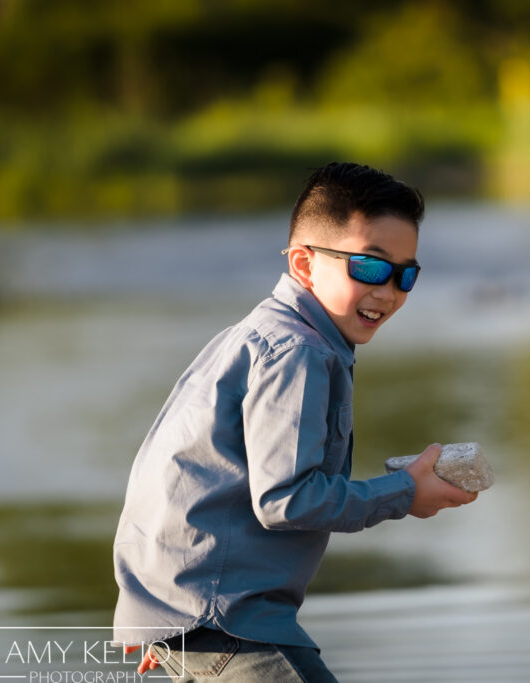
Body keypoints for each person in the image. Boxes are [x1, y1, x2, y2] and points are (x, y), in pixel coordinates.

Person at [112, 162, 478, 682]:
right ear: (304, 266)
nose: (389, 291)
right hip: (230, 625)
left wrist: (154, 613)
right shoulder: (299, 352)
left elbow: (171, 469)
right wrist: (404, 494)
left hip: (197, 621)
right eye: (370, 267)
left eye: (406, 274)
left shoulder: (262, 333)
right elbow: (286, 500)